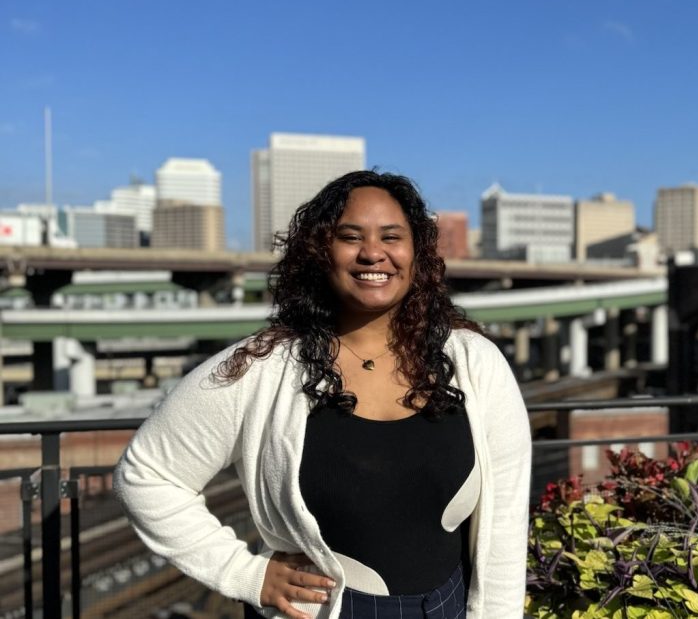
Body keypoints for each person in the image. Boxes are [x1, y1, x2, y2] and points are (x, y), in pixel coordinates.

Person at [114, 171, 532, 619]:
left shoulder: (476, 363)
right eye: (351, 237)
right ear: (320, 252)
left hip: (444, 607)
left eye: (392, 236)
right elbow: (147, 475)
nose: (374, 252)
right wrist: (244, 573)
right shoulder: (262, 368)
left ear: (417, 254)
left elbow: (504, 527)